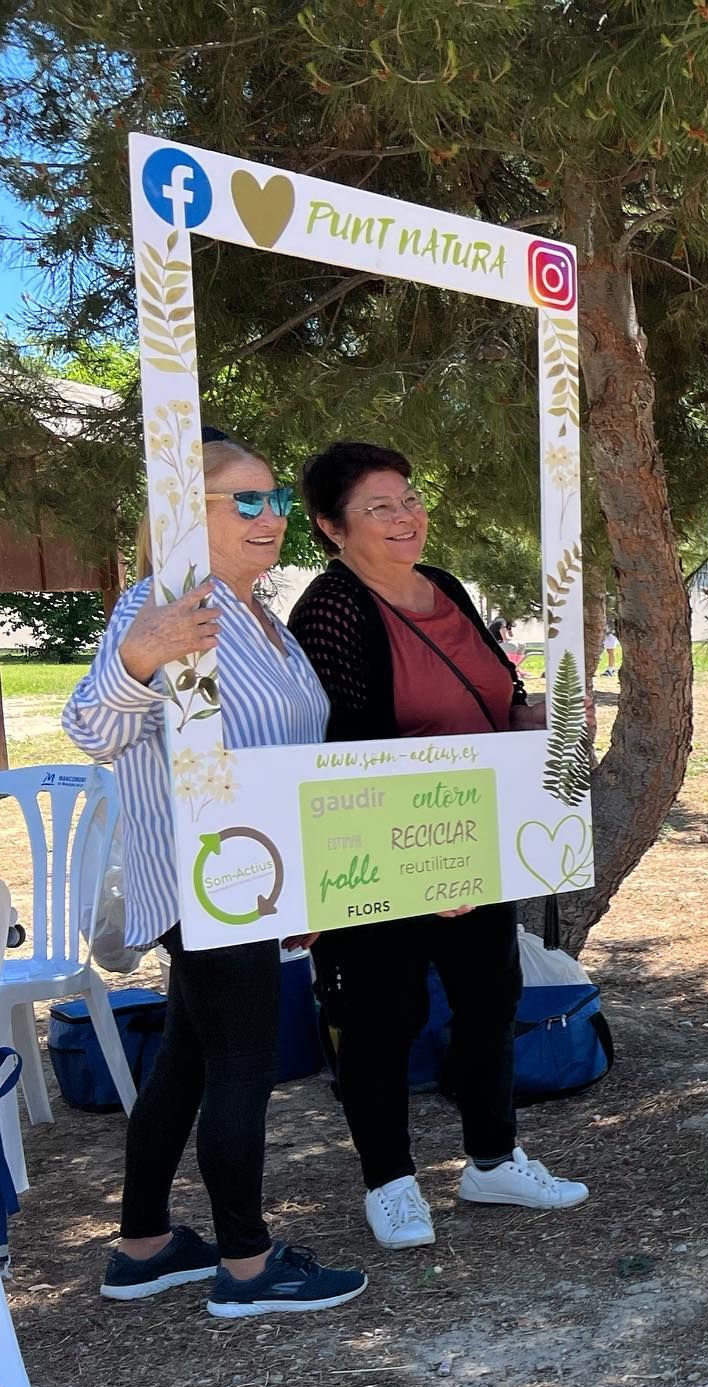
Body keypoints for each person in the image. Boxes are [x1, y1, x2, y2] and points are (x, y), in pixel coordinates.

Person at [62, 428, 368, 1318]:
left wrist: (307, 888)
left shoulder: (259, 612)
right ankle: (246, 1263)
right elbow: (93, 730)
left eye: (274, 499)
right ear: (184, 513)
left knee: (189, 1064)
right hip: (206, 883)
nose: (269, 516)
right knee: (242, 1060)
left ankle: (145, 1243)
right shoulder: (161, 606)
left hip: (261, 879)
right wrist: (138, 655)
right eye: (246, 500)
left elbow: (291, 755)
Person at [288, 441, 589, 1250]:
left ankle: (493, 1158)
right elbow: (349, 744)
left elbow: (498, 690)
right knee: (381, 1012)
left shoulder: (447, 587)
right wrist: (420, 866)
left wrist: (533, 723)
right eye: (379, 507)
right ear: (330, 526)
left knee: (491, 996)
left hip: (477, 839)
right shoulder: (331, 609)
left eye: (410, 497)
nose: (405, 516)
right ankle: (388, 1182)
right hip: (382, 850)